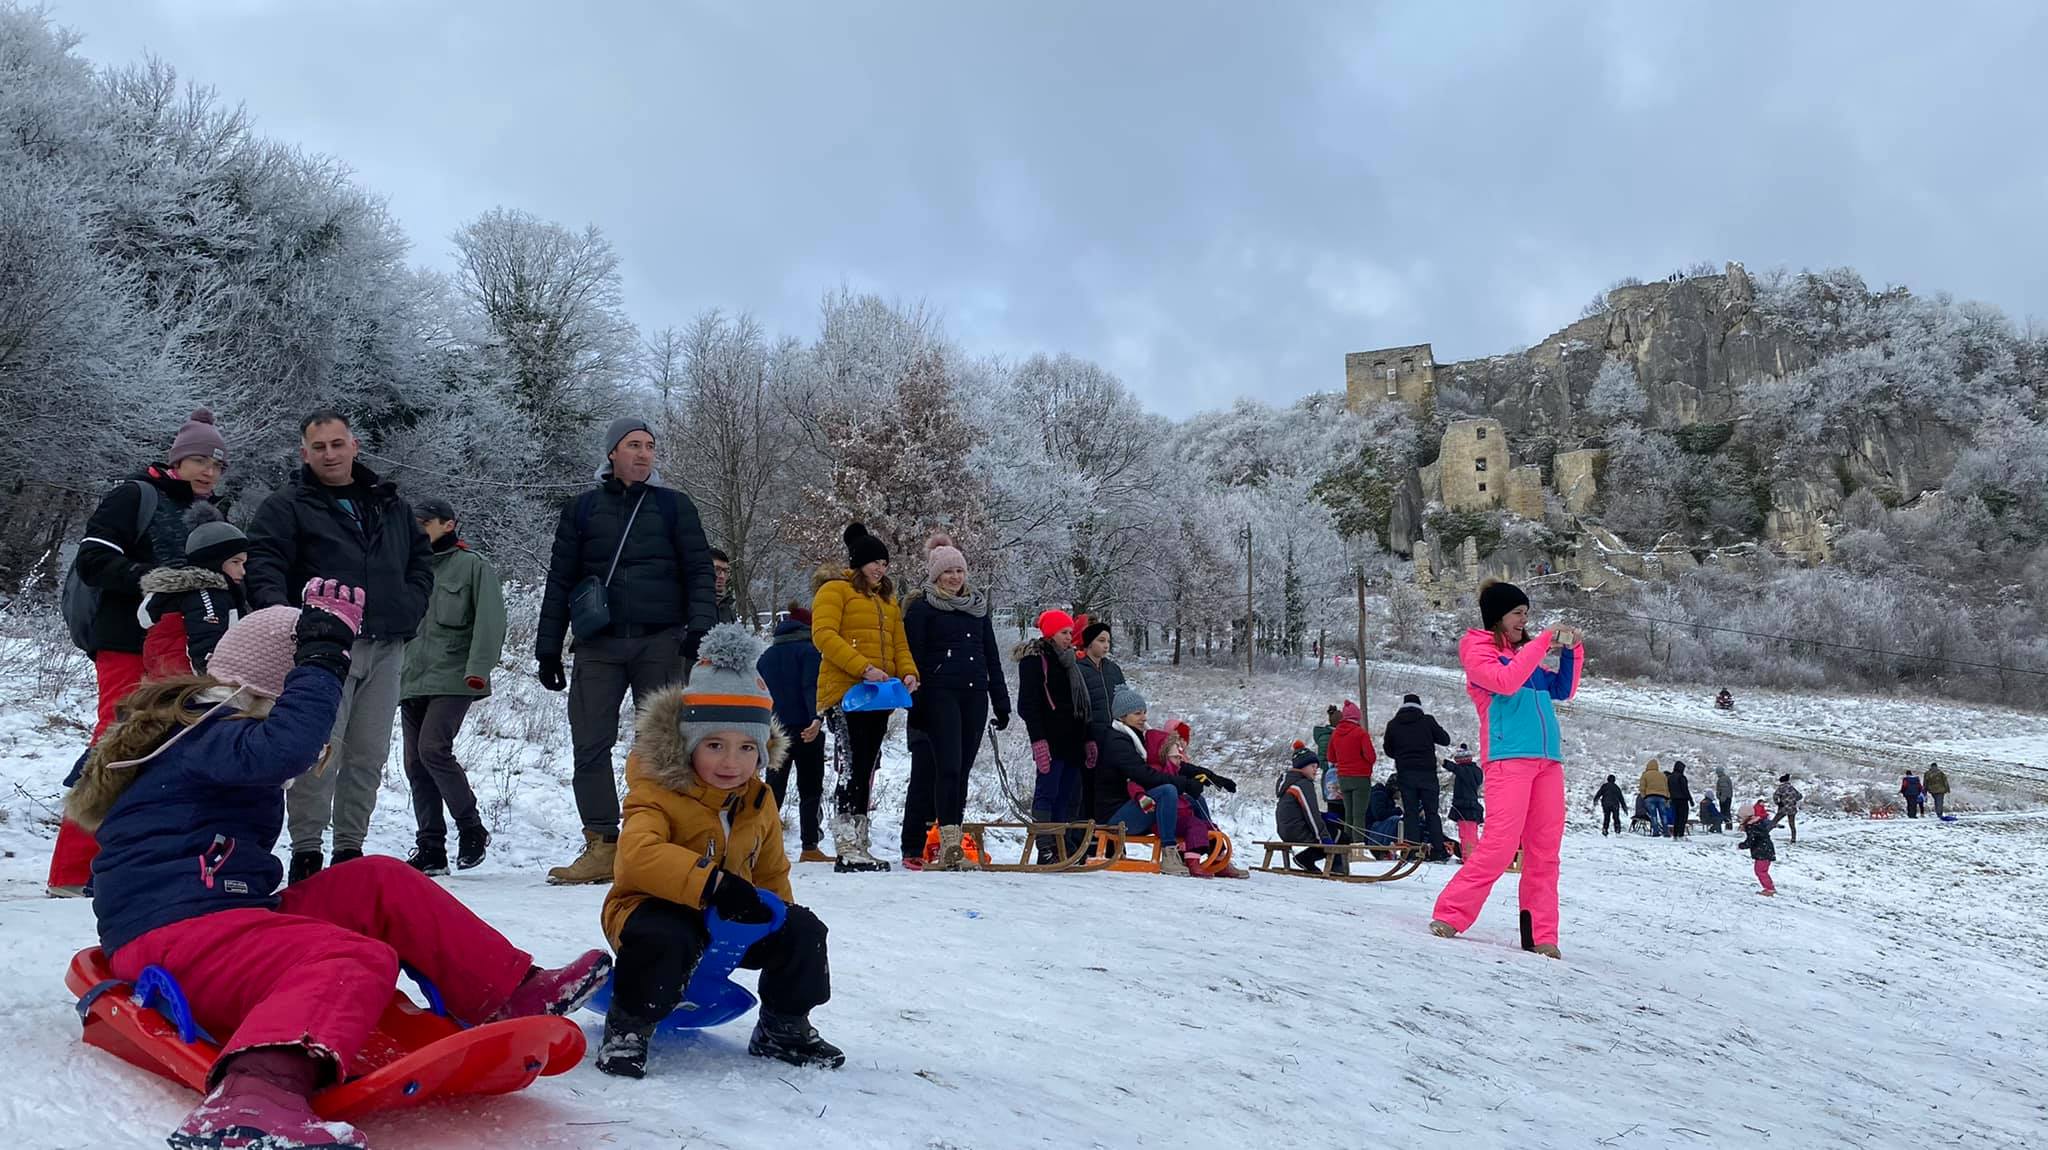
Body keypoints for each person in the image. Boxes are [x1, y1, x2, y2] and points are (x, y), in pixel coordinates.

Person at [68, 581, 608, 1150]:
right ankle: (253, 1099)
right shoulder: (205, 730)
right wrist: (322, 656)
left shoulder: (208, 729)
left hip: (220, 920)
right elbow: (287, 746)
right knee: (350, 955)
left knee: (379, 880)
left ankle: (509, 992)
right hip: (173, 934)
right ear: (273, 688)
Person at [596, 624, 843, 1078]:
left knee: (804, 930)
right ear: (689, 745)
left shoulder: (758, 799)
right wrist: (712, 884)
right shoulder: (656, 789)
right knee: (666, 935)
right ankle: (628, 1025)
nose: (731, 763)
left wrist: (776, 914)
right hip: (651, 909)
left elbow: (770, 871)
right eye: (715, 745)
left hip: (730, 920)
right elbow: (638, 854)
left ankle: (782, 1025)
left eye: (747, 748)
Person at [246, 410, 433, 885]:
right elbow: (264, 563)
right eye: (318, 447)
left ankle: (350, 850)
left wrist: (410, 605)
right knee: (317, 750)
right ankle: (307, 852)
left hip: (387, 643)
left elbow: (420, 561)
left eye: (337, 443)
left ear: (355, 446)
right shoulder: (287, 505)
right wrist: (284, 616)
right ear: (304, 453)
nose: (329, 454)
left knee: (368, 754)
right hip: (321, 647)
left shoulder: (389, 505)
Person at [49, 408, 230, 897]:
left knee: (163, 747)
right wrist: (154, 581)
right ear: (176, 460)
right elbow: (93, 560)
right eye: (198, 460)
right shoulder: (135, 496)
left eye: (217, 463)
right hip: (126, 639)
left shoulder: (214, 515)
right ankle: (71, 869)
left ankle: (131, 863)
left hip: (183, 647)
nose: (208, 471)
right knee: (117, 738)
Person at [534, 418, 718, 885]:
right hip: (599, 642)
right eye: (633, 445)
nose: (644, 454)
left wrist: (700, 628)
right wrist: (548, 648)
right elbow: (560, 581)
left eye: (650, 446)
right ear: (612, 453)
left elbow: (700, 571)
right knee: (590, 742)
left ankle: (658, 841)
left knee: (662, 745)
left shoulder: (675, 507)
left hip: (661, 640)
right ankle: (602, 843)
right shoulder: (581, 510)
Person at [1429, 580, 1581, 959]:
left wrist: (1574, 651)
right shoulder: (1478, 651)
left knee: (1545, 853)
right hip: (1508, 759)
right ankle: (1450, 913)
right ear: (1498, 616)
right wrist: (1542, 642)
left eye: (1527, 615)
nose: (1523, 620)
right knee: (1498, 846)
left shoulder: (1522, 655)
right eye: (1518, 613)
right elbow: (1506, 682)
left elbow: (1563, 689)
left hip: (1548, 762)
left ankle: (1542, 936)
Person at [398, 499, 508, 876]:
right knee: (414, 762)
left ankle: (471, 828)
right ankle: (431, 847)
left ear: (448, 524)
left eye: (424, 522)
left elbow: (491, 620)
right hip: (411, 677)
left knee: (432, 749)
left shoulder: (472, 566)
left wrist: (479, 668)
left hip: (455, 675)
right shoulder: (408, 569)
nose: (417, 529)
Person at [810, 523, 919, 873]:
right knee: (851, 766)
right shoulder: (835, 591)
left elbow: (899, 643)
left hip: (878, 696)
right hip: (845, 694)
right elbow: (823, 635)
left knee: (867, 767)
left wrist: (909, 672)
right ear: (858, 563)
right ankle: (845, 843)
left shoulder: (887, 600)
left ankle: (860, 841)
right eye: (874, 562)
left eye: (885, 563)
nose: (880, 569)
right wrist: (863, 667)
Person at [899, 534, 1011, 871]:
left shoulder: (977, 610)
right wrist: (914, 704)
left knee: (960, 770)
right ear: (935, 575)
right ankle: (944, 842)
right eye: (948, 572)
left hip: (974, 695)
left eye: (959, 571)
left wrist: (1001, 701)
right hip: (938, 694)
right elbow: (912, 657)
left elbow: (991, 657)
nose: (955, 577)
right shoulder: (922, 609)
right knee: (943, 767)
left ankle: (951, 834)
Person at [135, 504, 250, 678]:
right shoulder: (208, 593)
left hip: (164, 682)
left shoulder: (177, 592)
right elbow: (207, 644)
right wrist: (215, 685)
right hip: (191, 687)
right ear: (213, 561)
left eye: (244, 563)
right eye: (235, 562)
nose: (243, 571)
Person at [1091, 685, 1192, 876]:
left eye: (1144, 712)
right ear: (1122, 716)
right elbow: (1143, 775)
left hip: (1138, 806)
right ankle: (1169, 854)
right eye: (1137, 713)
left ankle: (1210, 850)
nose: (1144, 718)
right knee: (1168, 790)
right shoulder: (1117, 742)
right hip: (1116, 817)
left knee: (1192, 798)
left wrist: (1194, 779)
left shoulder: (1140, 739)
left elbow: (1163, 762)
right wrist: (1181, 783)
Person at [1016, 610, 1090, 864]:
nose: (1069, 638)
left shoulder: (1071, 663)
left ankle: (1062, 845)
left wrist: (1087, 738)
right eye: (1063, 633)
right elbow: (1028, 705)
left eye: (1070, 632)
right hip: (1050, 739)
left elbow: (1081, 707)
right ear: (1050, 633)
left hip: (1073, 740)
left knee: (1068, 795)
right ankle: (1045, 845)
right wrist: (1038, 739)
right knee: (1047, 792)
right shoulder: (1035, 661)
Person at [759, 603, 829, 863]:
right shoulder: (810, 652)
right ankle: (809, 847)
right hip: (805, 729)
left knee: (772, 791)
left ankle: (763, 848)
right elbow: (810, 686)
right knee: (810, 789)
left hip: (774, 731)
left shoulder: (766, 657)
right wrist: (816, 717)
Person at [1383, 693, 1452, 860]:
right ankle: (1437, 850)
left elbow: (1388, 750)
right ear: (1419, 706)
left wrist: (1402, 756)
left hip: (1406, 774)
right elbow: (1445, 740)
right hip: (1427, 774)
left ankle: (1413, 851)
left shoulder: (1393, 725)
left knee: (1411, 813)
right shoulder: (1427, 721)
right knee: (1432, 813)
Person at [1073, 617, 1126, 775]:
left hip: (1113, 736)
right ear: (1090, 643)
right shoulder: (1077, 669)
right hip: (1087, 738)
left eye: (1108, 641)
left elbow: (1123, 698)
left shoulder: (1113, 669)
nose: (1106, 645)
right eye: (1101, 640)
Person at [1276, 744, 1333, 872]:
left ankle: (1309, 859)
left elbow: (1301, 810)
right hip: (1296, 831)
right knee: (1337, 834)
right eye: (1313, 766)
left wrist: (1323, 815)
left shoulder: (1291, 783)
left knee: (1329, 826)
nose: (1315, 770)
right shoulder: (1303, 784)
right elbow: (1311, 814)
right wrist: (1324, 838)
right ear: (1303, 767)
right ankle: (1332, 866)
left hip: (1286, 830)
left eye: (1317, 767)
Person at [1326, 700, 1376, 842]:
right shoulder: (1361, 734)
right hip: (1360, 778)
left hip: (1343, 778)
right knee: (1359, 814)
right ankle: (1358, 847)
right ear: (1356, 717)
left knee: (1348, 814)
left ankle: (1346, 844)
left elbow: (1331, 757)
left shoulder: (1335, 734)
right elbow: (1371, 757)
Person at [1444, 745, 1484, 860]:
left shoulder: (1466, 771)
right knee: (1469, 834)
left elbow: (1455, 768)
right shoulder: (1475, 771)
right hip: (1470, 808)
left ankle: (1470, 858)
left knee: (1467, 836)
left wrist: (1444, 762)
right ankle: (1471, 857)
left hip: (1466, 809)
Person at [1738, 809, 1781, 895]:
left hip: (1762, 851)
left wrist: (1742, 845)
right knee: (1761, 870)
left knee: (1760, 871)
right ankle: (1769, 888)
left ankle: (1769, 889)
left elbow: (1751, 840)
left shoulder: (1751, 826)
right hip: (1767, 849)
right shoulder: (1758, 822)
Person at [1638, 759, 1673, 836]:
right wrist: (1667, 797)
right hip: (1662, 797)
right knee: (1663, 815)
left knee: (1653, 815)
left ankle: (1656, 832)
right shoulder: (1662, 775)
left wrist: (1644, 797)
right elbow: (1666, 787)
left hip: (1650, 797)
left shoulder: (1645, 775)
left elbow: (1642, 787)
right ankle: (1666, 832)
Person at [710, 547, 738, 624]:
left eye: (725, 571)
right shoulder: (691, 607)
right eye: (716, 569)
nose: (722, 576)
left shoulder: (728, 608)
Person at [1668, 761, 1695, 839]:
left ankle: (1675, 835)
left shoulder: (1670, 777)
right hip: (1683, 799)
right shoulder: (1681, 777)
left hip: (1674, 799)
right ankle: (1681, 834)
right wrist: (1690, 800)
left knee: (1676, 817)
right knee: (1683, 818)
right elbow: (1685, 789)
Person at [1773, 774, 1803, 844]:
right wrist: (1793, 800)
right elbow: (1800, 796)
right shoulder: (1792, 788)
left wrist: (1778, 803)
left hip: (1783, 808)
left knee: (1774, 822)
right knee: (1792, 825)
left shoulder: (1781, 788)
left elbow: (1775, 796)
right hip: (1792, 808)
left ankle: (1763, 835)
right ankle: (1793, 839)